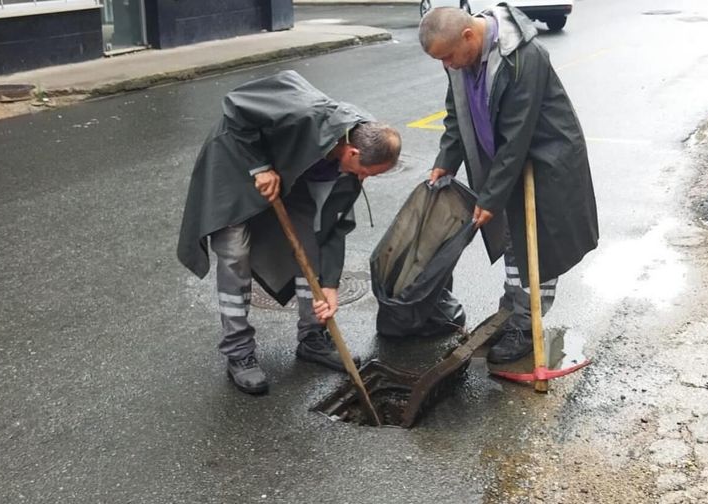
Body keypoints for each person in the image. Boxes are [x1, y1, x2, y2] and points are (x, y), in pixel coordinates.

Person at [177, 70, 401, 394]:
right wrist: (260, 167)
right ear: (353, 153)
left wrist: (331, 286)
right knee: (235, 254)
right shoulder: (304, 113)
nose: (365, 179)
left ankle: (312, 337)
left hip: (288, 173)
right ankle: (239, 353)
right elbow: (235, 105)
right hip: (236, 162)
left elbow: (334, 227)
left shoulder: (354, 158)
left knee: (309, 244)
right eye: (367, 172)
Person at [418, 5, 598, 363]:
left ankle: (526, 323)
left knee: (539, 247)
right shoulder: (462, 59)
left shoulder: (523, 57)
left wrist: (491, 196)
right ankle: (513, 309)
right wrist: (445, 162)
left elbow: (518, 134)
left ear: (469, 35)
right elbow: (457, 113)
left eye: (449, 56)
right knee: (514, 240)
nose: (447, 66)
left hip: (546, 161)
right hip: (508, 162)